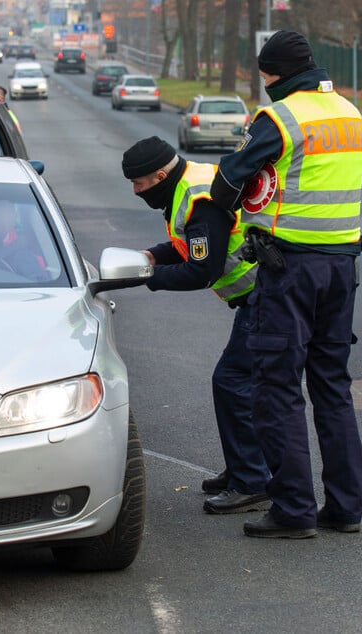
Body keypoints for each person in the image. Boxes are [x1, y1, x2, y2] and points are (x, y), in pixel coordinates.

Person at [209, 31, 362, 539]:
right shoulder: (350, 113)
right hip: (343, 267)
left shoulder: (280, 117)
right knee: (332, 388)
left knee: (276, 388)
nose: (264, 83)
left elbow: (228, 180)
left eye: (264, 75)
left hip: (290, 269)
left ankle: (294, 509)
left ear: (274, 72)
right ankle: (345, 508)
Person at [121, 136, 268, 515]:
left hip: (266, 295)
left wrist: (146, 276)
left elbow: (203, 269)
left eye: (139, 185)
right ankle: (243, 469)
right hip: (260, 294)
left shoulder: (198, 198)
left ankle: (252, 482)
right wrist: (151, 255)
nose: (137, 192)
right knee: (241, 384)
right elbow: (190, 244)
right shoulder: (189, 183)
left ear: (159, 175)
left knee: (234, 382)